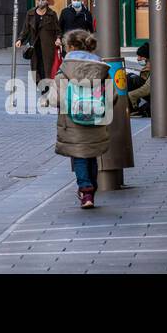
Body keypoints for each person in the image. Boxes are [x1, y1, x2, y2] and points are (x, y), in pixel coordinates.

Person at [53, 29, 111, 208]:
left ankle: (86, 191)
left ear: (70, 47)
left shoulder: (65, 70)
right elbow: (112, 96)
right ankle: (91, 189)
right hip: (95, 120)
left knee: (79, 156)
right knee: (91, 155)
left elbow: (57, 98)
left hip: (73, 122)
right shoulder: (101, 69)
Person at [16, 0, 60, 84]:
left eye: (43, 0)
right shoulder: (30, 13)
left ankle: (46, 85)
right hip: (34, 46)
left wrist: (58, 38)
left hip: (48, 47)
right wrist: (20, 39)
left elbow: (58, 30)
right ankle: (39, 83)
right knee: (35, 67)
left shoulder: (52, 14)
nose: (40, 2)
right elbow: (25, 29)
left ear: (47, 1)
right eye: (38, 0)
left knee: (47, 67)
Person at [127, 42, 167, 117]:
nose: (138, 59)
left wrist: (130, 95)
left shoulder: (159, 66)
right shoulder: (150, 66)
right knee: (131, 77)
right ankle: (133, 108)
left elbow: (147, 88)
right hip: (158, 93)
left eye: (141, 56)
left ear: (148, 57)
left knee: (146, 110)